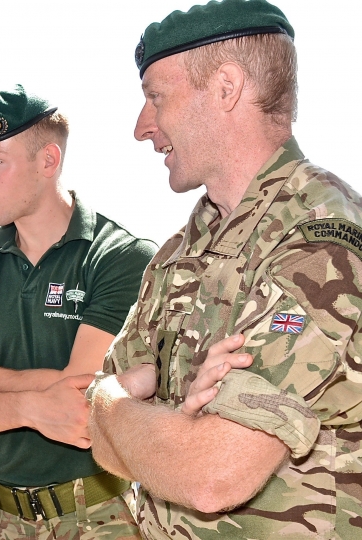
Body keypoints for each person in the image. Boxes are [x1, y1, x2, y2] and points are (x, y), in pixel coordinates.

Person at [85, 1, 362, 538]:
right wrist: (169, 430)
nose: (142, 127)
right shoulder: (178, 254)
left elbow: (212, 474)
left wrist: (112, 402)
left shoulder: (321, 239)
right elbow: (103, 447)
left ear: (227, 88)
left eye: (155, 97)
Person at [0, 85, 157, 539]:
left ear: (48, 161)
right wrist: (32, 407)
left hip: (98, 516)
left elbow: (83, 398)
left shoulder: (119, 256)